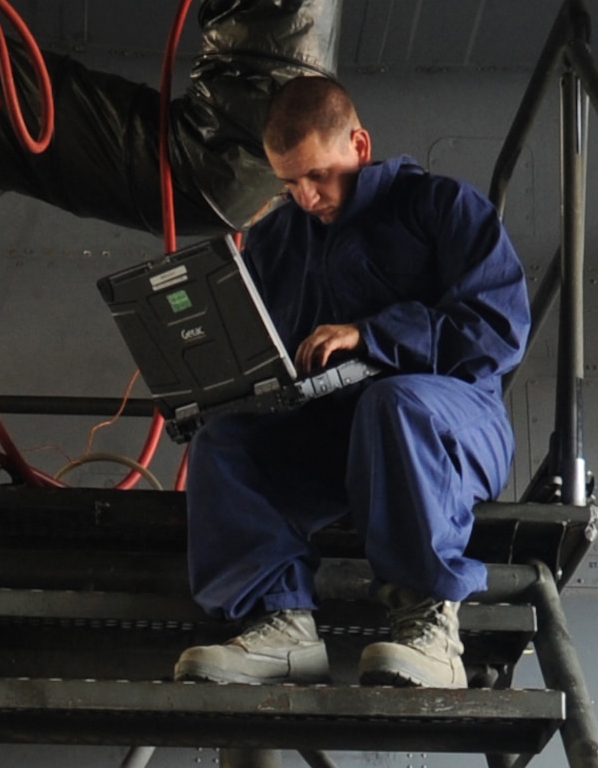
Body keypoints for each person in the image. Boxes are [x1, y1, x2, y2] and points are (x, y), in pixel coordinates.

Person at [175, 76, 531, 687]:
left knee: (391, 402)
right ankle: (282, 624)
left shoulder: (442, 207)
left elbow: (497, 332)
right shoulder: (277, 241)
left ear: (359, 146)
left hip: (454, 426)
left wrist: (372, 335)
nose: (307, 197)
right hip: (341, 439)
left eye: (319, 176)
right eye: (289, 184)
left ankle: (430, 625)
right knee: (223, 441)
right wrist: (210, 379)